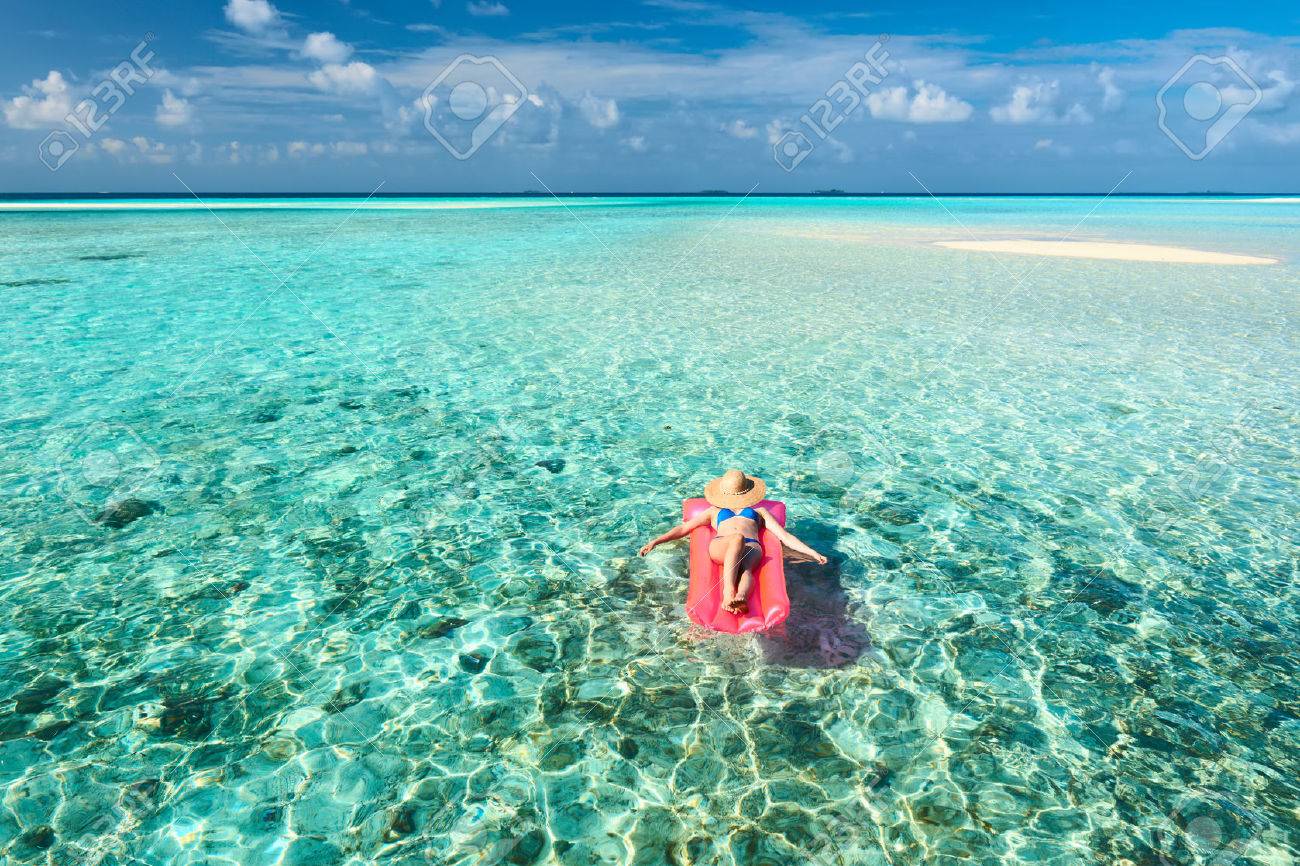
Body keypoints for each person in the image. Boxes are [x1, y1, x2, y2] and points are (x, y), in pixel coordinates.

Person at [639, 469, 828, 614]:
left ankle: (740, 597)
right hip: (723, 545)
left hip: (751, 548)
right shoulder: (713, 511)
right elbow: (683, 529)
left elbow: (785, 537)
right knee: (737, 539)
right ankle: (728, 593)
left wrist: (812, 553)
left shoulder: (760, 512)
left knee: (747, 570)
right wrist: (656, 541)